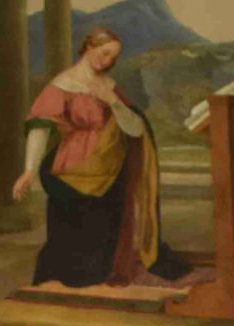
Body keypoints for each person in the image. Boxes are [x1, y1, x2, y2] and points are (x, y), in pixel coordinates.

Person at [12, 28, 193, 291]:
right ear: (89, 47)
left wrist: (113, 102)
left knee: (107, 225)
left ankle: (102, 273)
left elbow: (136, 128)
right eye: (105, 53)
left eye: (113, 57)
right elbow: (40, 127)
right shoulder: (63, 84)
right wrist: (29, 170)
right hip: (75, 166)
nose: (108, 61)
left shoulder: (109, 87)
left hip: (111, 167)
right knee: (73, 225)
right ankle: (70, 275)